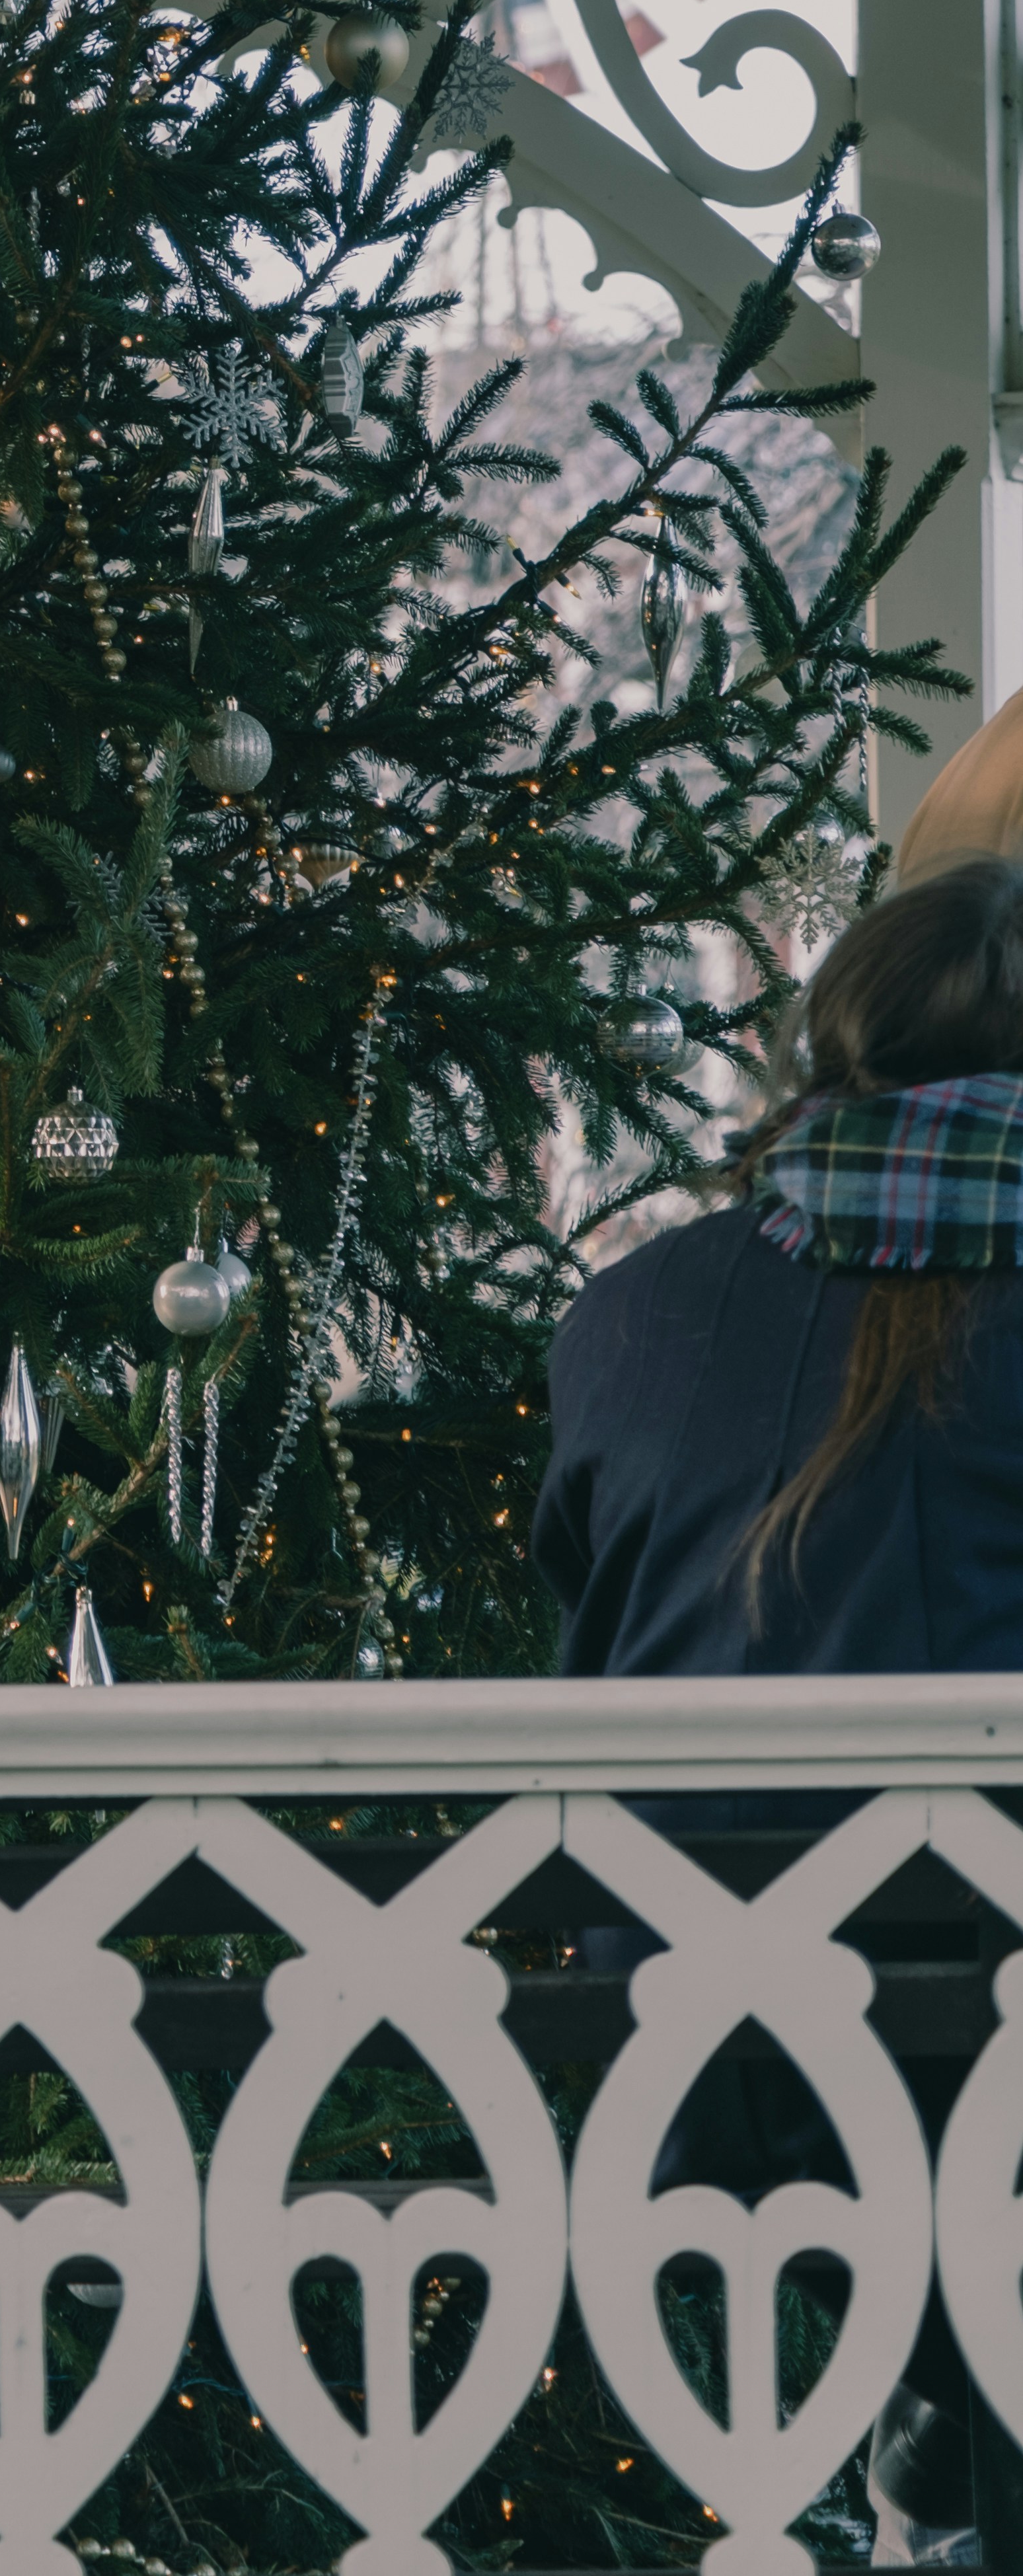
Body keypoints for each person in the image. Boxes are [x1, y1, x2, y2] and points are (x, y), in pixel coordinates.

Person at [536, 857, 1023, 2567]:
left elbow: (592, 1638)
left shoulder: (632, 1317)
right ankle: (954, 2441)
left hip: (712, 2071)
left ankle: (941, 2446)